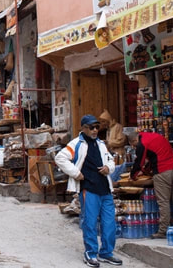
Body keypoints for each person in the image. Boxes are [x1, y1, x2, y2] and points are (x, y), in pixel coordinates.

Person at [55, 114, 122, 267]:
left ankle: (106, 253)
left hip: (105, 189)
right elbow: (60, 158)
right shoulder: (76, 143)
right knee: (90, 223)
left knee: (109, 223)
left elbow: (111, 160)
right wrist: (75, 173)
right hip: (89, 188)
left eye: (97, 127)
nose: (95, 130)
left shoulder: (101, 144)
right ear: (84, 128)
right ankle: (90, 254)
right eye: (91, 127)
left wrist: (108, 168)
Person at [130, 131, 173, 239]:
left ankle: (163, 231)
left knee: (163, 202)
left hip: (162, 171)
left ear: (134, 141)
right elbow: (154, 156)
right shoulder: (151, 135)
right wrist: (147, 170)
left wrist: (133, 175)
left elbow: (139, 162)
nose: (135, 147)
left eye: (134, 145)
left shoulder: (142, 143)